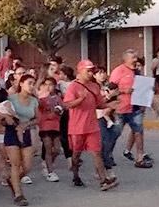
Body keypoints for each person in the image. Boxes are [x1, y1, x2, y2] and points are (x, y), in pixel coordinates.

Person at [64, 60, 119, 191]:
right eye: (88, 71)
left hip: (92, 126)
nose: (90, 73)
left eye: (91, 71)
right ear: (80, 71)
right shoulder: (73, 87)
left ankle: (103, 180)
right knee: (76, 154)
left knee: (97, 153)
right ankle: (75, 176)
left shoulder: (94, 86)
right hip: (77, 127)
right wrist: (80, 99)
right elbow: (67, 104)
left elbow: (99, 104)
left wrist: (111, 103)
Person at [110, 49, 151, 168]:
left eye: (136, 57)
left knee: (139, 132)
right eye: (133, 58)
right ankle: (108, 155)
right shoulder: (118, 71)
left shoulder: (137, 72)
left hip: (135, 108)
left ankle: (139, 158)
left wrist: (144, 102)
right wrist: (123, 91)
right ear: (126, 59)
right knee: (115, 133)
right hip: (120, 108)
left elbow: (142, 88)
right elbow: (110, 90)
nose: (135, 60)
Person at [4, 75, 39, 206]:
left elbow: (37, 118)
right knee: (15, 163)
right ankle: (18, 194)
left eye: (33, 83)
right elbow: (3, 112)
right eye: (29, 83)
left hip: (26, 130)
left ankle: (13, 180)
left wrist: (27, 125)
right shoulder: (11, 98)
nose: (31, 86)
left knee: (28, 166)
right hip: (12, 131)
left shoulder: (33, 101)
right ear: (22, 84)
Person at [37, 77, 62, 182]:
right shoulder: (41, 98)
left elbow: (62, 108)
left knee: (57, 149)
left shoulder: (57, 98)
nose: (48, 87)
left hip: (55, 125)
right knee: (47, 146)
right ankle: (50, 172)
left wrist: (59, 110)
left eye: (50, 84)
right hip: (44, 125)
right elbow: (38, 108)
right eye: (46, 84)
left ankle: (48, 164)